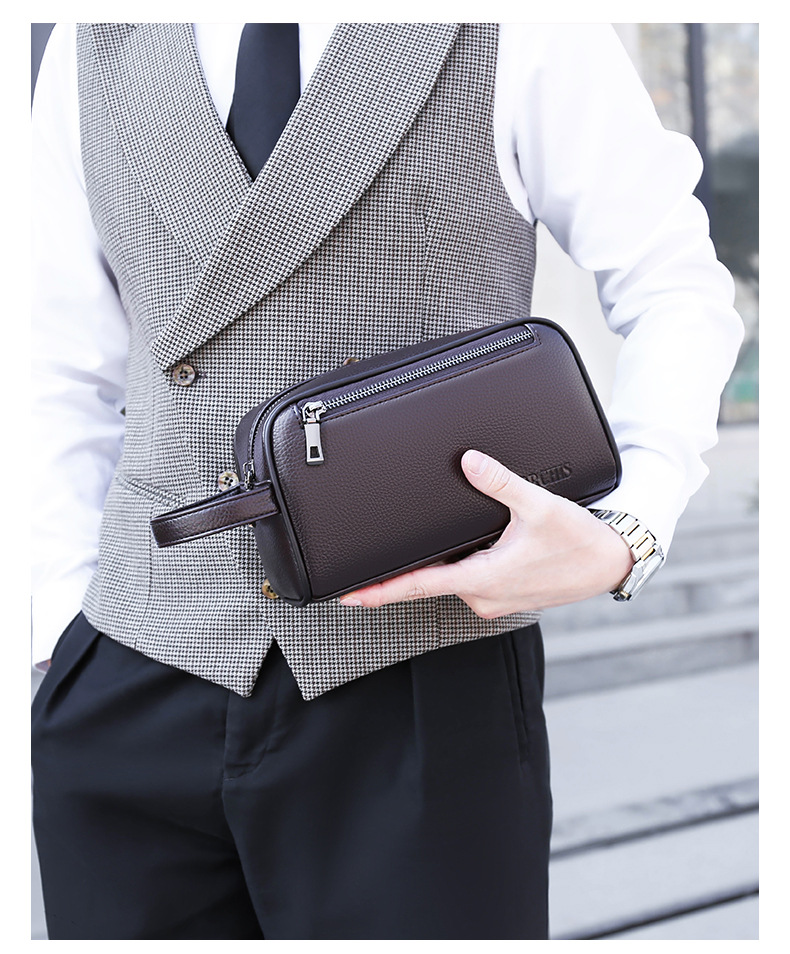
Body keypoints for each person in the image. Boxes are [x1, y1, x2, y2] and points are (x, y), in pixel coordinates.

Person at [31, 22, 744, 940]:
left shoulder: (521, 23)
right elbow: (54, 361)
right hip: (128, 669)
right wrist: (60, 632)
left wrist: (630, 527)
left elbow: (675, 284)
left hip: (422, 679)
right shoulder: (95, 37)